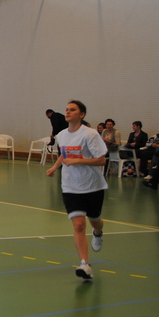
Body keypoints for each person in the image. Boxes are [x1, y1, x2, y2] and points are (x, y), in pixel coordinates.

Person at [45, 100, 108, 281]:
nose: (68, 112)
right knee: (79, 225)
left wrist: (78, 161)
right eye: (66, 109)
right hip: (70, 186)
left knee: (95, 220)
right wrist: (55, 167)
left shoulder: (90, 134)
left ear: (82, 114)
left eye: (72, 109)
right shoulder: (62, 135)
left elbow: (102, 160)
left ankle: (98, 232)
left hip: (92, 185)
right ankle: (85, 264)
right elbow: (65, 154)